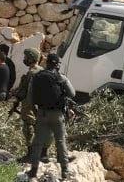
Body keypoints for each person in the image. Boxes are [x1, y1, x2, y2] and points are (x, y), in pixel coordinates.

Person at [26, 53, 76, 181]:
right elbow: (72, 93)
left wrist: (36, 112)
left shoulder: (37, 77)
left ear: (47, 63)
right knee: (60, 142)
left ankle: (33, 171)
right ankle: (64, 172)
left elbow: (30, 99)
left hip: (42, 113)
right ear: (57, 65)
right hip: (57, 115)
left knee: (37, 143)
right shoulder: (61, 78)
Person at [12, 48, 44, 163]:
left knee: (28, 129)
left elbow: (23, 91)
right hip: (39, 106)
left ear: (30, 58)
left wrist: (16, 97)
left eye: (26, 57)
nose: (24, 59)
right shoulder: (41, 70)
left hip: (29, 105)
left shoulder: (31, 73)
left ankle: (31, 155)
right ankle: (41, 153)